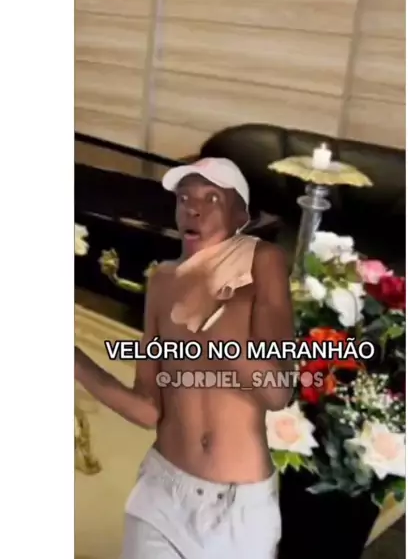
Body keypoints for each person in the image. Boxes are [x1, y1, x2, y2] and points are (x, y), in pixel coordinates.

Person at [75, 157, 295, 559]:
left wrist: (211, 324)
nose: (194, 208)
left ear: (240, 215)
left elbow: (278, 391)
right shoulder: (163, 280)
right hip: (163, 492)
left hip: (238, 511)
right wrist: (74, 361)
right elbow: (148, 409)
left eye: (212, 198)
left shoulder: (263, 263)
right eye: (185, 198)